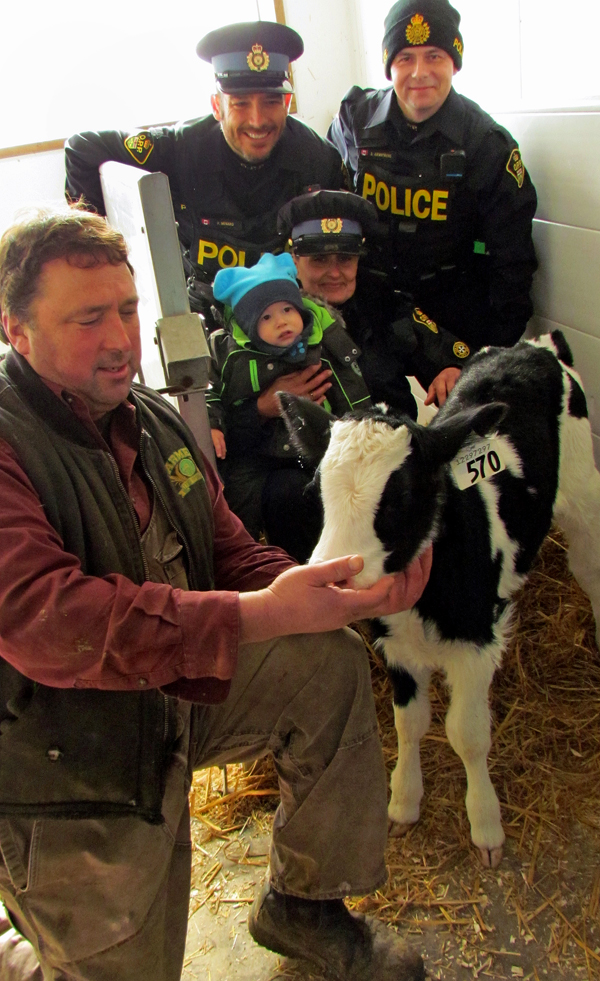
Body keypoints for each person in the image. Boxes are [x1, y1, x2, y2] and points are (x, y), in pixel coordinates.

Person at [0, 207, 431, 981]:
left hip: (167, 693)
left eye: (127, 309)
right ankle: (28, 943)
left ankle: (304, 904)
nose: (120, 338)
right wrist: (263, 612)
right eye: (88, 317)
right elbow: (51, 619)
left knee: (323, 659)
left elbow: (226, 545)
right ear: (15, 330)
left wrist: (334, 592)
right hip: (62, 755)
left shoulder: (151, 416)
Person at [64, 21, 345, 328]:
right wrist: (100, 257)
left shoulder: (318, 159)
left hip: (284, 317)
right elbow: (82, 149)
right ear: (216, 105)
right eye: (239, 103)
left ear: (287, 103)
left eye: (271, 101)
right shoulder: (182, 148)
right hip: (205, 316)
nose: (257, 120)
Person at [327, 0, 538, 352]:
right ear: (388, 65)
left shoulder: (486, 143)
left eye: (434, 56)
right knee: (368, 399)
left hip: (452, 309)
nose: (419, 72)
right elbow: (322, 199)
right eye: (405, 57)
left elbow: (512, 263)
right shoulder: (355, 118)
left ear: (454, 63)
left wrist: (482, 358)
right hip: (369, 300)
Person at [207, 251, 371, 561]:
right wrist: (214, 423)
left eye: (287, 309)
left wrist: (362, 429)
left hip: (317, 446)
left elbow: (352, 394)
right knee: (239, 507)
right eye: (266, 317)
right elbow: (209, 391)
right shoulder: (230, 355)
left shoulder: (321, 343)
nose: (281, 321)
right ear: (248, 327)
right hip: (255, 454)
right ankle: (247, 561)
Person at [277, 188, 473, 417]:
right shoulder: (269, 315)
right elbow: (234, 409)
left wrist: (452, 370)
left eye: (345, 259)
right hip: (314, 450)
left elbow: (458, 358)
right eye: (320, 260)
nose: (335, 273)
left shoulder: (386, 307)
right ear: (295, 260)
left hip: (393, 444)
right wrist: (265, 406)